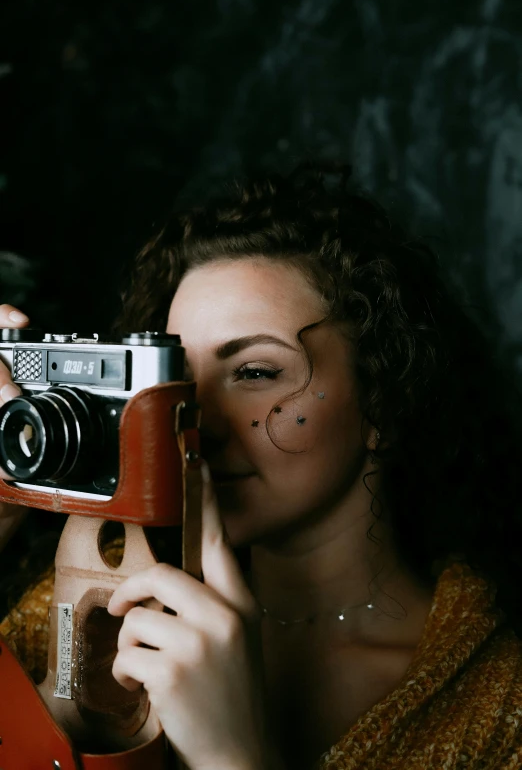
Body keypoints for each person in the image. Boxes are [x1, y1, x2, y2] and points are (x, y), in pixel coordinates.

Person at [1, 163, 522, 770]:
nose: (195, 422)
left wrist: (232, 754)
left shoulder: (499, 702)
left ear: (385, 398)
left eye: (253, 372)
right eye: (176, 381)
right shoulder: (93, 608)